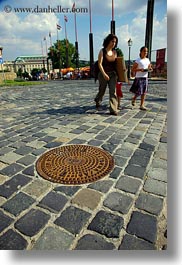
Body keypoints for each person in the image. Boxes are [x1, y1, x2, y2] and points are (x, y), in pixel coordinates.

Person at [94, 33, 118, 115]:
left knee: (113, 91)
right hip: (103, 74)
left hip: (113, 75)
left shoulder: (115, 52)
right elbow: (99, 63)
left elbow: (117, 64)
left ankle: (113, 109)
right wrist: (104, 74)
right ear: (108, 41)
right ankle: (98, 100)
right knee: (102, 90)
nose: (114, 43)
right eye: (112, 41)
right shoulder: (102, 51)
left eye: (115, 42)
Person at [130, 46, 153, 110]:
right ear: (141, 52)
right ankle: (134, 98)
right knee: (139, 91)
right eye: (144, 51)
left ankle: (142, 105)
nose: (146, 52)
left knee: (144, 92)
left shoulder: (148, 60)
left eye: (147, 51)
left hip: (145, 77)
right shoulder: (138, 60)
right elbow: (133, 69)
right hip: (139, 77)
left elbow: (149, 67)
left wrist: (150, 69)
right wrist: (140, 70)